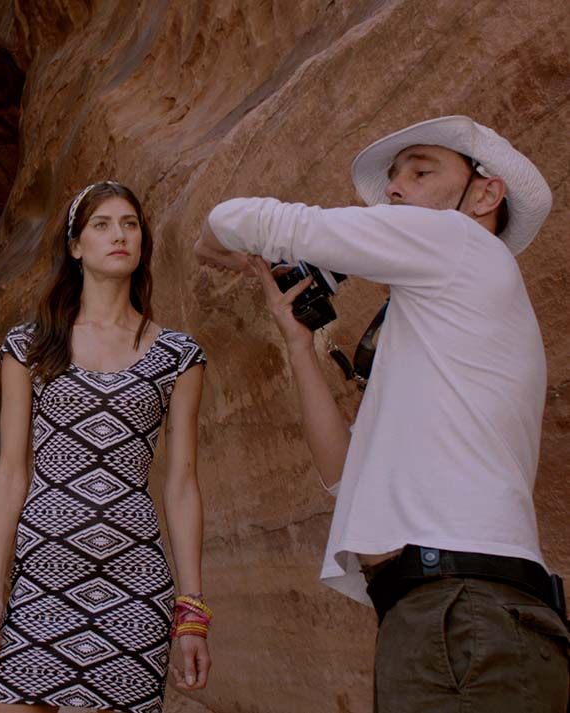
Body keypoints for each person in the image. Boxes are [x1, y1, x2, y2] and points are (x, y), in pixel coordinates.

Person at [195, 115, 568, 711]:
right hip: (441, 612)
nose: (395, 188)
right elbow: (345, 474)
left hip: (462, 608)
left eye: (422, 172)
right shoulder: (438, 322)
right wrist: (298, 346)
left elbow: (236, 218)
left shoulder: (459, 239)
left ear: (485, 195)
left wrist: (221, 247)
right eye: (394, 177)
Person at [0, 181, 211, 712]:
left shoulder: (178, 355)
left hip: (134, 583)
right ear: (76, 247)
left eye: (130, 224)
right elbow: (11, 473)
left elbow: (182, 484)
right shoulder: (29, 347)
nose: (119, 235)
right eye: (101, 225)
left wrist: (191, 610)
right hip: (41, 579)